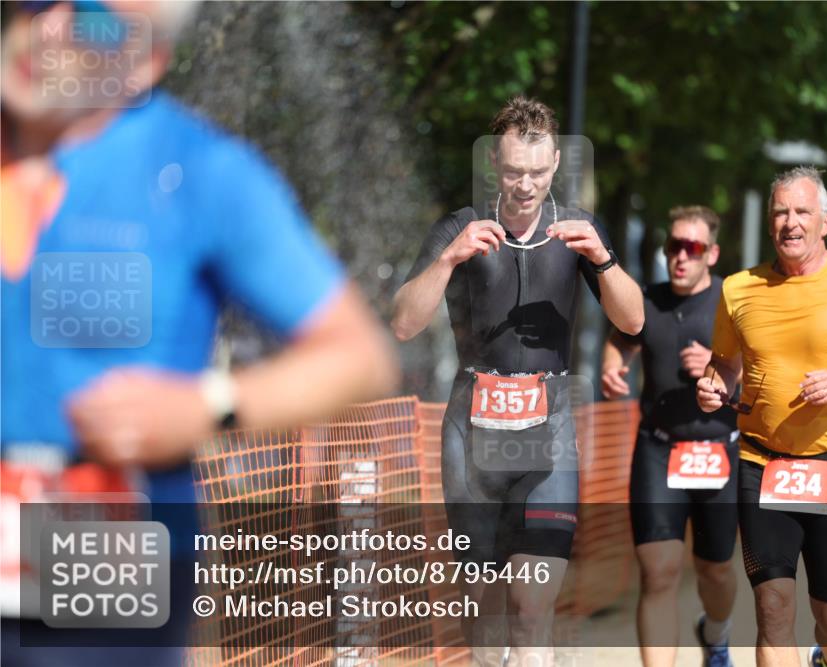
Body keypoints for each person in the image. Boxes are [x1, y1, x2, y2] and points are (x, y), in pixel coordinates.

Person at [1, 2, 399, 665]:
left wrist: (208, 406)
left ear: (145, 62)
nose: (45, 31)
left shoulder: (200, 172)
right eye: (38, 0)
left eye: (94, 21)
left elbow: (360, 358)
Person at [392, 96, 643, 665]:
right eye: (512, 172)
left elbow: (633, 321)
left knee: (531, 611)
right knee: (484, 618)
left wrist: (603, 261)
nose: (525, 185)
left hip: (548, 443)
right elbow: (403, 323)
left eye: (535, 172)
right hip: (471, 443)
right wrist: (447, 260)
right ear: (493, 165)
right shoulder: (460, 226)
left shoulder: (579, 229)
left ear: (554, 163)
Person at [696, 166, 827, 667]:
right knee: (772, 607)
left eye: (801, 212)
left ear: (825, 222)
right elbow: (724, 363)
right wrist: (714, 386)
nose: (790, 222)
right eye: (780, 212)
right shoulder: (739, 289)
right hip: (761, 465)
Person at [601, 205, 738, 667]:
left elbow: (765, 367)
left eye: (692, 247)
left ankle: (716, 635)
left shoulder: (733, 301)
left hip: (720, 450)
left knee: (715, 570)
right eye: (674, 246)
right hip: (659, 448)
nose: (681, 256)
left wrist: (722, 366)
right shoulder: (647, 300)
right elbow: (621, 339)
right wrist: (613, 365)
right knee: (658, 571)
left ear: (711, 254)